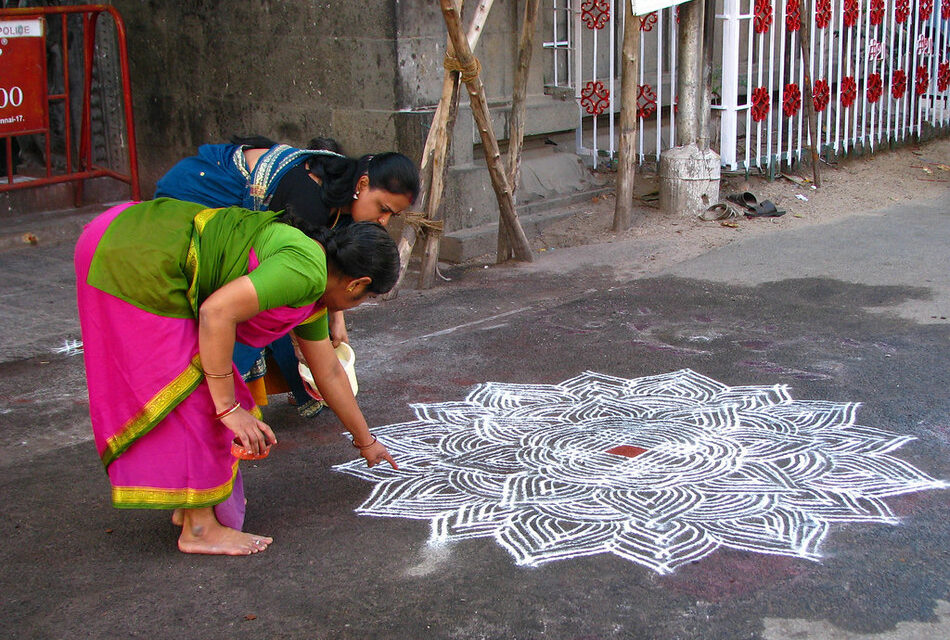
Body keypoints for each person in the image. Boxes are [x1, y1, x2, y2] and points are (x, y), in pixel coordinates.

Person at [75, 197, 399, 555]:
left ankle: (190, 506)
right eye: (362, 299)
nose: (352, 307)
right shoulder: (305, 270)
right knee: (205, 397)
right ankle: (199, 528)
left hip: (132, 239)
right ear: (356, 284)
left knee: (205, 388)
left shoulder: (313, 285)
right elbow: (216, 313)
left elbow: (330, 372)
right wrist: (228, 408)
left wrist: (366, 442)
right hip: (134, 253)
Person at [155, 137, 419, 414]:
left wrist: (337, 318)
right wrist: (304, 343)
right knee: (259, 313)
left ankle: (240, 399)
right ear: (362, 184)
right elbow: (296, 294)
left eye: (392, 215)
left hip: (250, 244)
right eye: (383, 209)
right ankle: (207, 405)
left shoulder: (343, 205)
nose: (383, 221)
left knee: (292, 310)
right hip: (192, 201)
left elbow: (333, 275)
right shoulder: (308, 204)